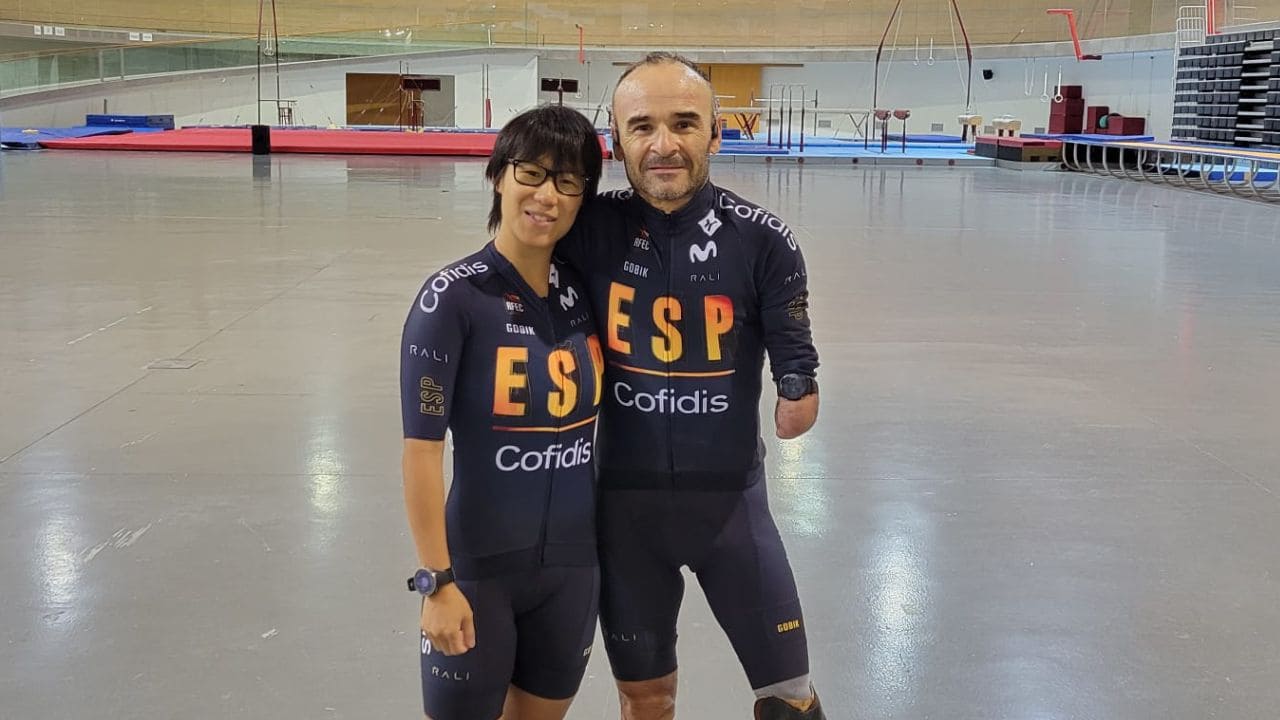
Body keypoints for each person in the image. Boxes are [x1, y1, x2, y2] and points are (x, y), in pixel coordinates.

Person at [556, 52, 826, 720]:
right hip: (624, 516)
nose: (664, 144)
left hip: (731, 510)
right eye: (642, 127)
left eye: (684, 123)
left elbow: (794, 340)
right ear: (616, 143)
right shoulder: (585, 233)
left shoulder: (764, 241)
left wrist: (798, 381)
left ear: (716, 134)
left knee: (789, 696)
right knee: (645, 698)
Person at [399, 104, 605, 720]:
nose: (548, 195)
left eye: (569, 182)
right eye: (533, 173)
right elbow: (421, 451)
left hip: (573, 572)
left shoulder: (585, 292)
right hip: (477, 572)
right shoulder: (452, 300)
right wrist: (436, 581)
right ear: (498, 175)